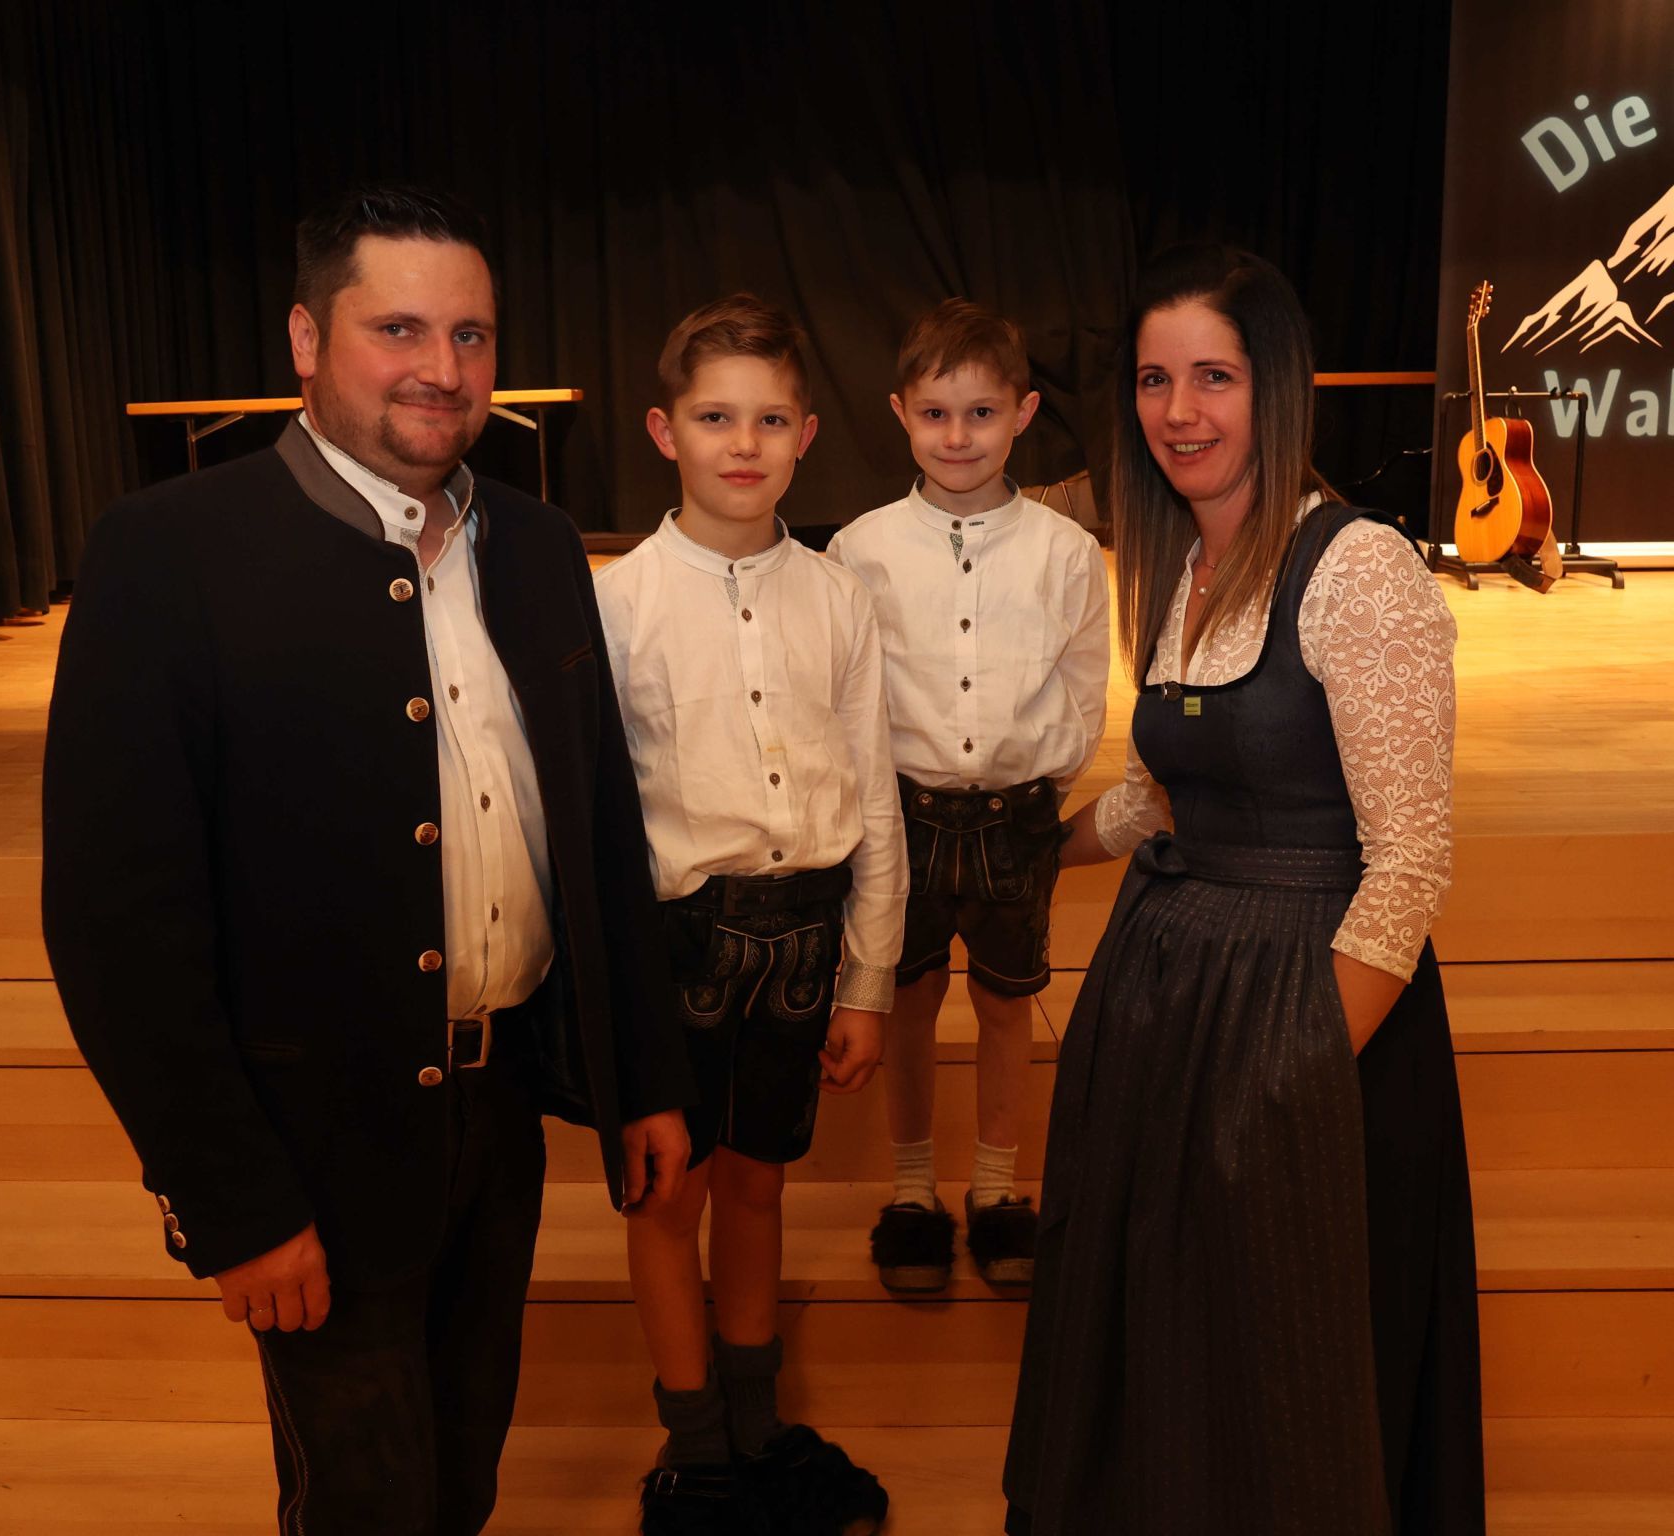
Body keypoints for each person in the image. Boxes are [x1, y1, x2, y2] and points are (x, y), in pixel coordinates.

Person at [41, 184, 694, 1536]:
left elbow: (597, 831)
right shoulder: (164, 557)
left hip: (498, 1120)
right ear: (303, 337)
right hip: (312, 1149)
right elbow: (118, 929)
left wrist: (640, 1076)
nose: (441, 370)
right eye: (398, 328)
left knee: (460, 1482)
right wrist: (229, 1201)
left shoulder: (539, 547)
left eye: (470, 335)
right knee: (365, 1507)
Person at [1001, 245, 1483, 1535]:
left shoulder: (1357, 570)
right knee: (1175, 1374)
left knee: (1292, 1387)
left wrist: (1285, 1076)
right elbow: (1175, 791)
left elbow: (1408, 865)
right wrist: (1038, 846)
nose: (1178, 411)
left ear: (1275, 387)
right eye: (1154, 380)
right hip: (1173, 1014)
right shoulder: (1181, 569)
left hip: (1304, 1027)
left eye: (1212, 376)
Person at [594, 294, 908, 1536]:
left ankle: (756, 1425)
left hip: (803, 942)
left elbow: (873, 788)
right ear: (664, 430)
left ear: (807, 434)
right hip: (675, 942)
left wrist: (870, 977)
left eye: (769, 419)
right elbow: (602, 825)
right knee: (665, 1192)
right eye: (715, 416)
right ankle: (695, 1450)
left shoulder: (835, 598)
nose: (743, 442)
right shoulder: (617, 605)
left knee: (759, 1188)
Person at [828, 299, 1110, 1294]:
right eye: (937, 414)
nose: (958, 437)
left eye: (981, 414)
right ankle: (912, 1188)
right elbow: (844, 693)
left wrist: (1040, 786)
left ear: (1023, 413)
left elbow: (1080, 688)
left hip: (1012, 820)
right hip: (898, 820)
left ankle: (996, 1186)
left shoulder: (1065, 553)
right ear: (901, 413)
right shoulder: (858, 550)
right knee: (905, 1002)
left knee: (1005, 1006)